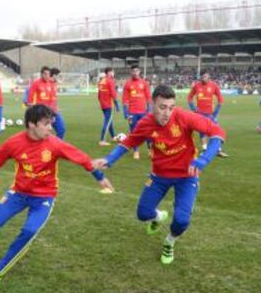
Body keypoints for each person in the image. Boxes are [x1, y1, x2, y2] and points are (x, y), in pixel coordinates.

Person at [0, 105, 113, 293]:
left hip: (43, 197)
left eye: (51, 123)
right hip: (18, 193)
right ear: (31, 124)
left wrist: (100, 178)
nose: (50, 128)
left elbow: (81, 158)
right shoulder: (13, 143)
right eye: (46, 124)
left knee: (29, 231)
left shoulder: (55, 143)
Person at [92, 85, 226, 265]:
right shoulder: (146, 123)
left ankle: (169, 242)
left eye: (171, 107)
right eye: (162, 107)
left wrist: (203, 160)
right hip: (159, 176)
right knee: (143, 214)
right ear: (152, 104)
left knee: (181, 220)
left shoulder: (184, 117)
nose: (167, 113)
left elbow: (218, 132)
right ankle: (158, 217)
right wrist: (109, 159)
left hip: (187, 176)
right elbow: (130, 141)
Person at [188, 70, 227, 157]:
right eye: (202, 77)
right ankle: (205, 149)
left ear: (209, 77)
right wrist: (193, 108)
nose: (204, 78)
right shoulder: (196, 85)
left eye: (205, 77)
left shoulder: (213, 85)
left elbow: (220, 98)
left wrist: (216, 111)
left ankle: (218, 149)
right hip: (200, 113)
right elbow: (189, 97)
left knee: (216, 130)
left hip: (210, 114)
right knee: (202, 131)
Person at [122, 65, 152, 159]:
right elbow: (125, 100)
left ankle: (150, 150)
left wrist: (149, 110)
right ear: (131, 72)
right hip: (132, 112)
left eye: (137, 71)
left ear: (139, 72)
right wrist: (125, 113)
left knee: (147, 131)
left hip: (143, 112)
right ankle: (136, 151)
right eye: (133, 71)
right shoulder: (128, 84)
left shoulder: (144, 83)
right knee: (134, 132)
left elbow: (148, 98)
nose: (135, 72)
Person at [97, 67, 119, 146]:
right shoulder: (110, 80)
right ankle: (102, 140)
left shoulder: (102, 80)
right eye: (113, 72)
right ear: (109, 72)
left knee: (109, 120)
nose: (113, 73)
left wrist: (101, 102)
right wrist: (117, 105)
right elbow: (113, 93)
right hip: (108, 104)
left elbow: (99, 94)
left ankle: (113, 136)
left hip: (103, 104)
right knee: (107, 122)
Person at [49, 67, 66, 139]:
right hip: (47, 111)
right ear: (54, 75)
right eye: (59, 76)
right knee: (44, 132)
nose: (60, 78)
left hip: (55, 111)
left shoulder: (54, 84)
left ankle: (56, 146)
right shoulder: (47, 84)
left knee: (61, 129)